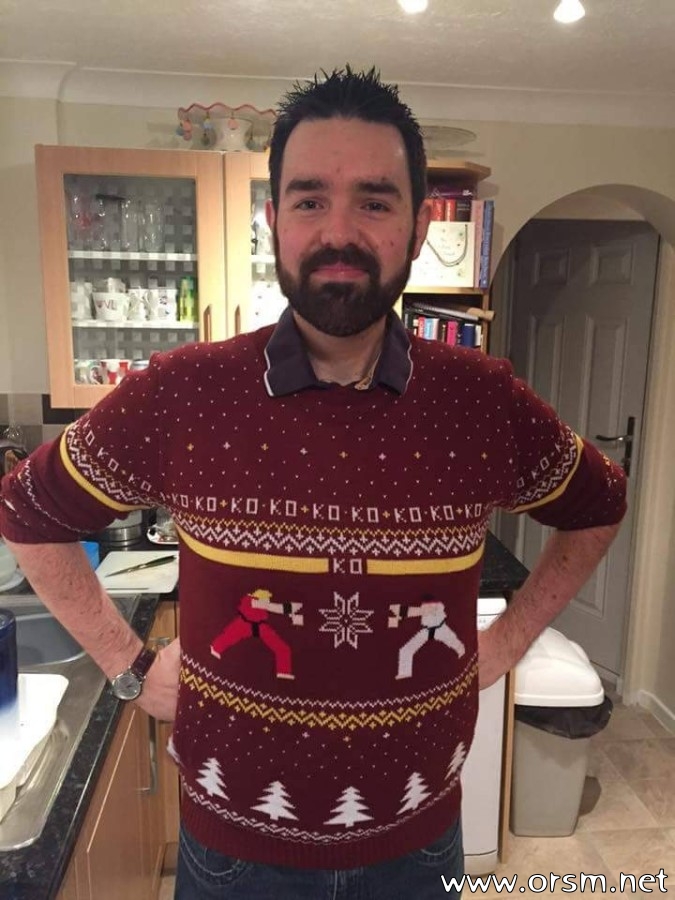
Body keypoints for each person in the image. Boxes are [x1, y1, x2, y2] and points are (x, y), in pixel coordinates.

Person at [0, 67, 626, 899]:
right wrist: (128, 665)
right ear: (274, 222)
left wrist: (508, 643)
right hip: (235, 857)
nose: (339, 231)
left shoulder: (482, 401)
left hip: (420, 847)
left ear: (417, 226)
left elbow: (599, 502)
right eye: (308, 199)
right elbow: (26, 511)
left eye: (374, 200)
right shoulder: (183, 391)